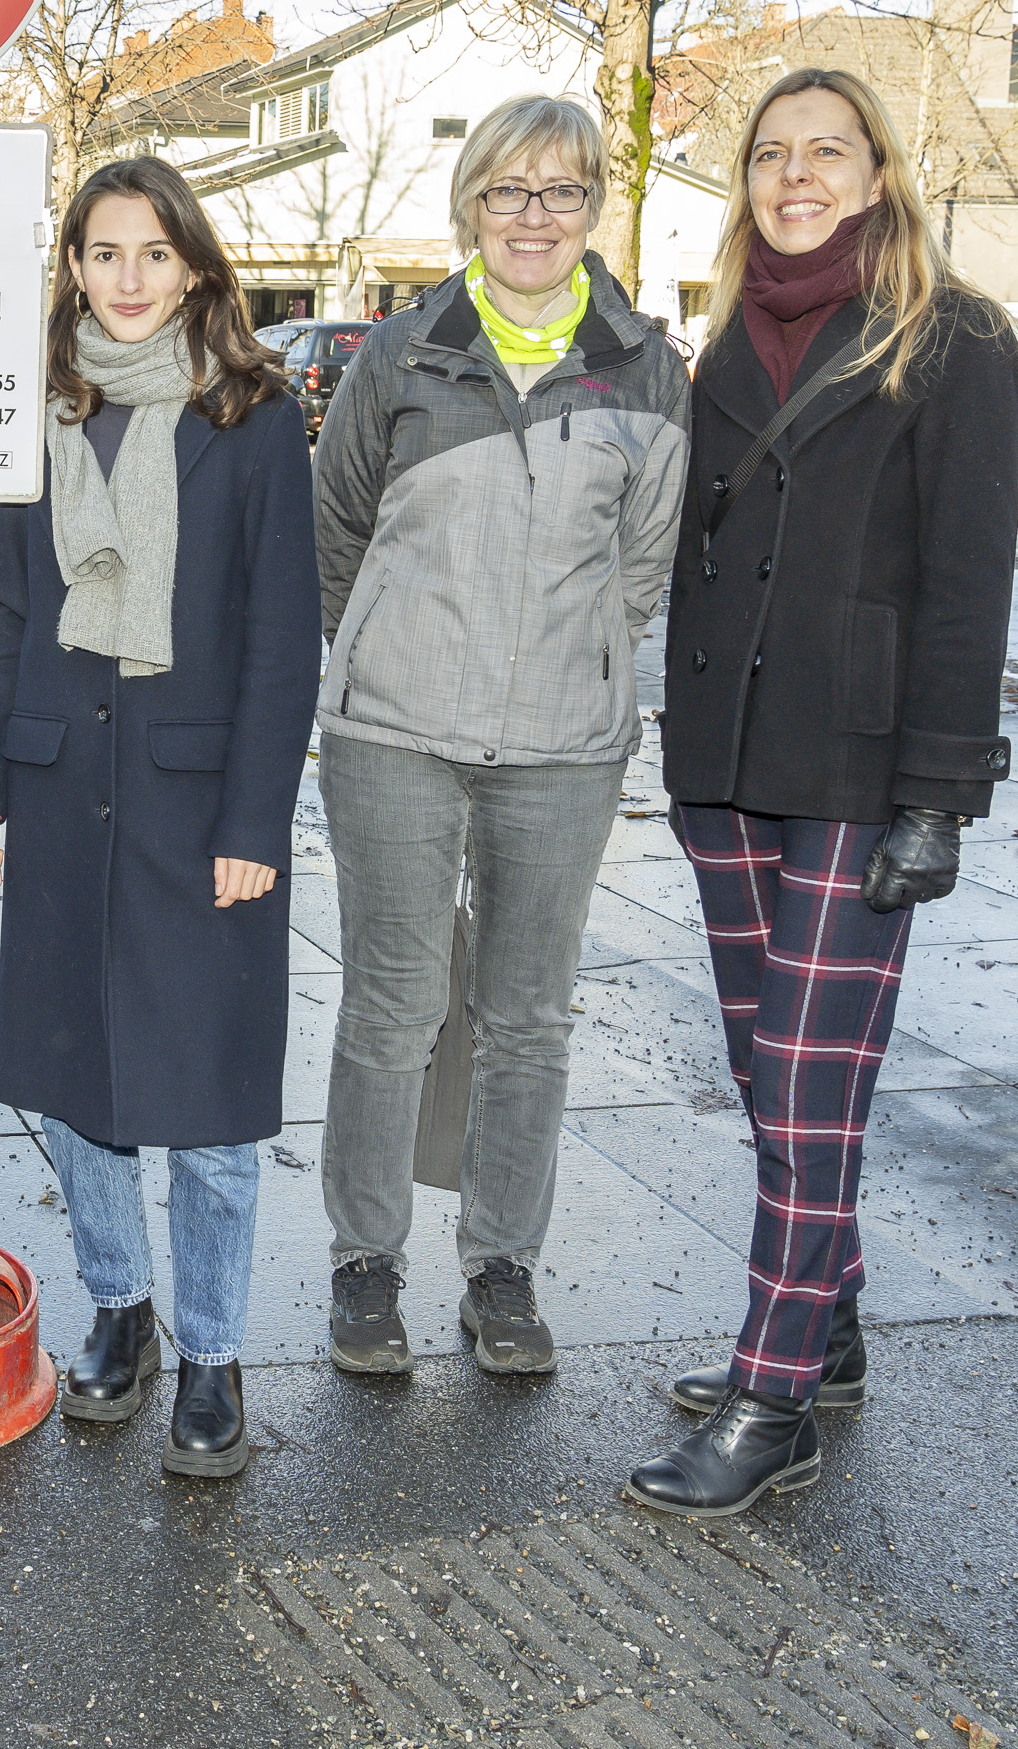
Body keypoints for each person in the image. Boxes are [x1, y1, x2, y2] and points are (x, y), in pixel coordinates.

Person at [629, 66, 1018, 1520]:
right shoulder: (725, 335)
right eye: (769, 155)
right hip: (729, 770)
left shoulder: (954, 337)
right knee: (763, 1071)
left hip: (861, 773)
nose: (794, 175)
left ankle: (773, 1393)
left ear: (877, 172)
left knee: (807, 1093)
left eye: (825, 152)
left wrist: (942, 792)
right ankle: (830, 1317)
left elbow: (968, 586)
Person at [310, 95, 690, 1379]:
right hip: (396, 733)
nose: (534, 217)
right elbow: (338, 529)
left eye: (563, 192)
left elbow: (642, 569)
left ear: (593, 208)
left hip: (561, 746)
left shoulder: (646, 365)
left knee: (529, 1013)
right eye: (508, 192)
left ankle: (501, 1265)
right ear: (469, 203)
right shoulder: (401, 353)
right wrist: (393, 641)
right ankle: (365, 1260)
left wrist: (565, 657)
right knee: (395, 1003)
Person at [0, 157, 316, 1478]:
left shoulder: (254, 418)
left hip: (197, 799)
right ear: (73, 268)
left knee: (212, 1105)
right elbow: (4, 611)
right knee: (72, 1083)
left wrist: (255, 823)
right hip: (56, 792)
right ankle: (121, 1304)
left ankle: (211, 1351)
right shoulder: (37, 411)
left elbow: (282, 641)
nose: (127, 278)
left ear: (196, 268)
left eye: (153, 254)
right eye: (103, 253)